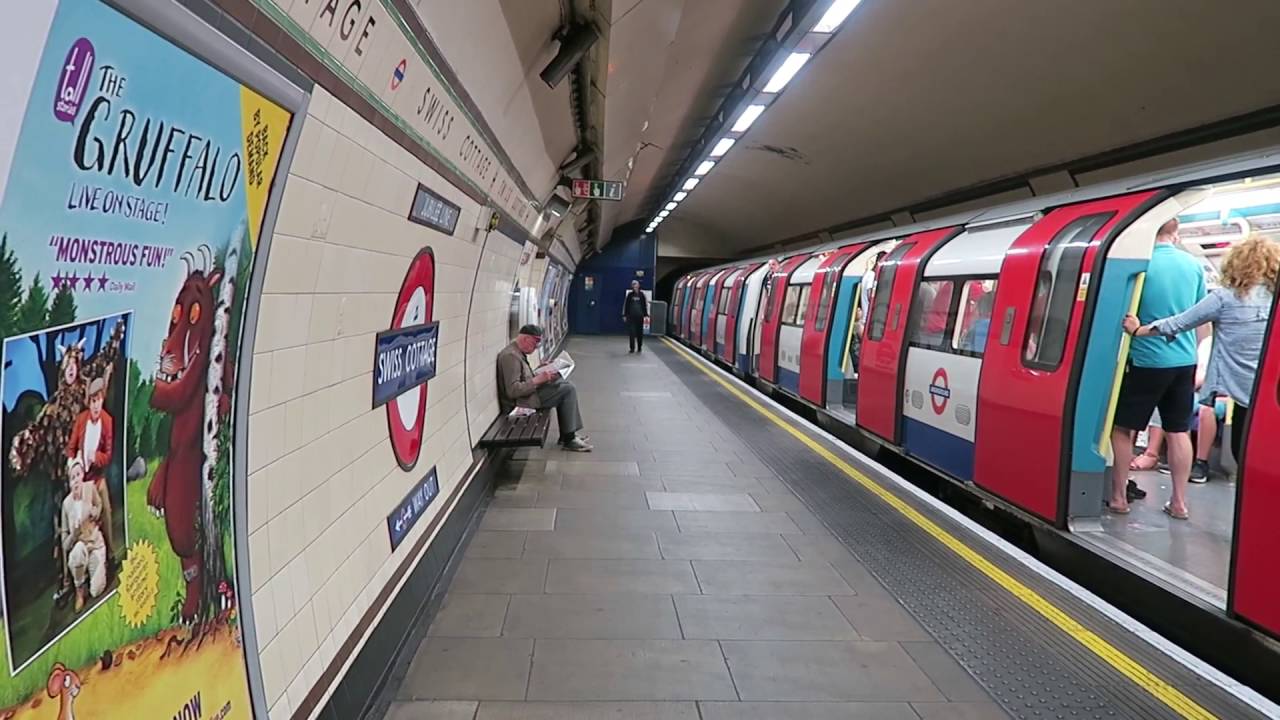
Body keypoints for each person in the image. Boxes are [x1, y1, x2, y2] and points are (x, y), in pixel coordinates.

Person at [1125, 233, 1278, 485]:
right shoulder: (1276, 299)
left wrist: (1139, 330)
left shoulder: (1225, 298)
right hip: (1274, 394)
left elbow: (1180, 322)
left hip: (1244, 395)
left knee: (1247, 457)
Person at [1108, 218, 1205, 520]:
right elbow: (1200, 316)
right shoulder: (1194, 266)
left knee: (1123, 428)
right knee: (1178, 431)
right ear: (1175, 234)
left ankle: (1119, 497)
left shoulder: (1141, 263)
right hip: (1184, 361)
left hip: (1146, 359)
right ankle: (1178, 502)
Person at [497, 324, 593, 451]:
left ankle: (567, 435)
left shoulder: (516, 352)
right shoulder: (510, 356)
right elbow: (513, 390)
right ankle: (569, 439)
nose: (536, 347)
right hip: (521, 403)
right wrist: (537, 380)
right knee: (567, 390)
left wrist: (541, 370)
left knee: (565, 385)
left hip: (528, 395)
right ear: (525, 339)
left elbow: (524, 378)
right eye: (535, 342)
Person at [66, 376, 113, 559]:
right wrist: (73, 466)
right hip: (82, 479)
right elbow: (70, 448)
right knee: (81, 518)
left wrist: (96, 457)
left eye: (98, 401)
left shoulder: (108, 422)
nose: (95, 406)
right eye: (92, 401)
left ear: (102, 401)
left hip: (97, 477)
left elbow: (108, 456)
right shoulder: (81, 420)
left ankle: (110, 554)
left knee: (106, 510)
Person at [61, 457, 106, 611]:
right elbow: (65, 544)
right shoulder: (66, 505)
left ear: (83, 475)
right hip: (80, 546)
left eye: (78, 475)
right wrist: (73, 534)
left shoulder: (90, 488)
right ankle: (80, 587)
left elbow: (99, 505)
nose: (76, 481)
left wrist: (94, 512)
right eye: (72, 478)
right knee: (76, 554)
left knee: (96, 590)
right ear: (69, 482)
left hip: (95, 543)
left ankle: (99, 567)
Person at [622, 280, 649, 353]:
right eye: (633, 285)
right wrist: (625, 315)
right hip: (631, 317)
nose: (634, 286)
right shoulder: (630, 295)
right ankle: (632, 348)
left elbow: (644, 306)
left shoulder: (642, 295)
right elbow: (626, 305)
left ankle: (639, 347)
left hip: (640, 317)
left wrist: (646, 315)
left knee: (639, 333)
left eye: (635, 285)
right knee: (632, 333)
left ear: (638, 286)